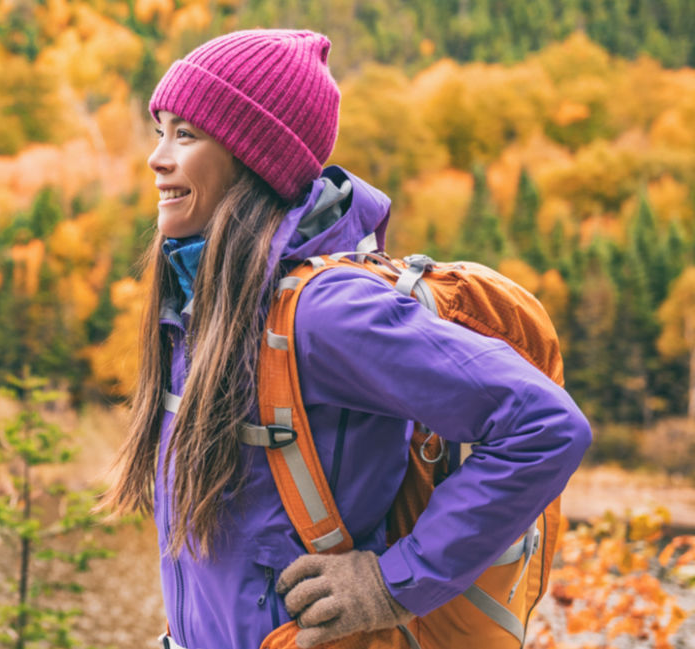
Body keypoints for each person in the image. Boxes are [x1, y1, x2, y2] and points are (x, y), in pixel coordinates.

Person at [100, 29, 591, 649]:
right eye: (159, 131)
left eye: (187, 135)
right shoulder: (204, 302)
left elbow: (547, 427)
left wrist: (391, 584)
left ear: (255, 158)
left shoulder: (326, 312)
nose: (158, 157)